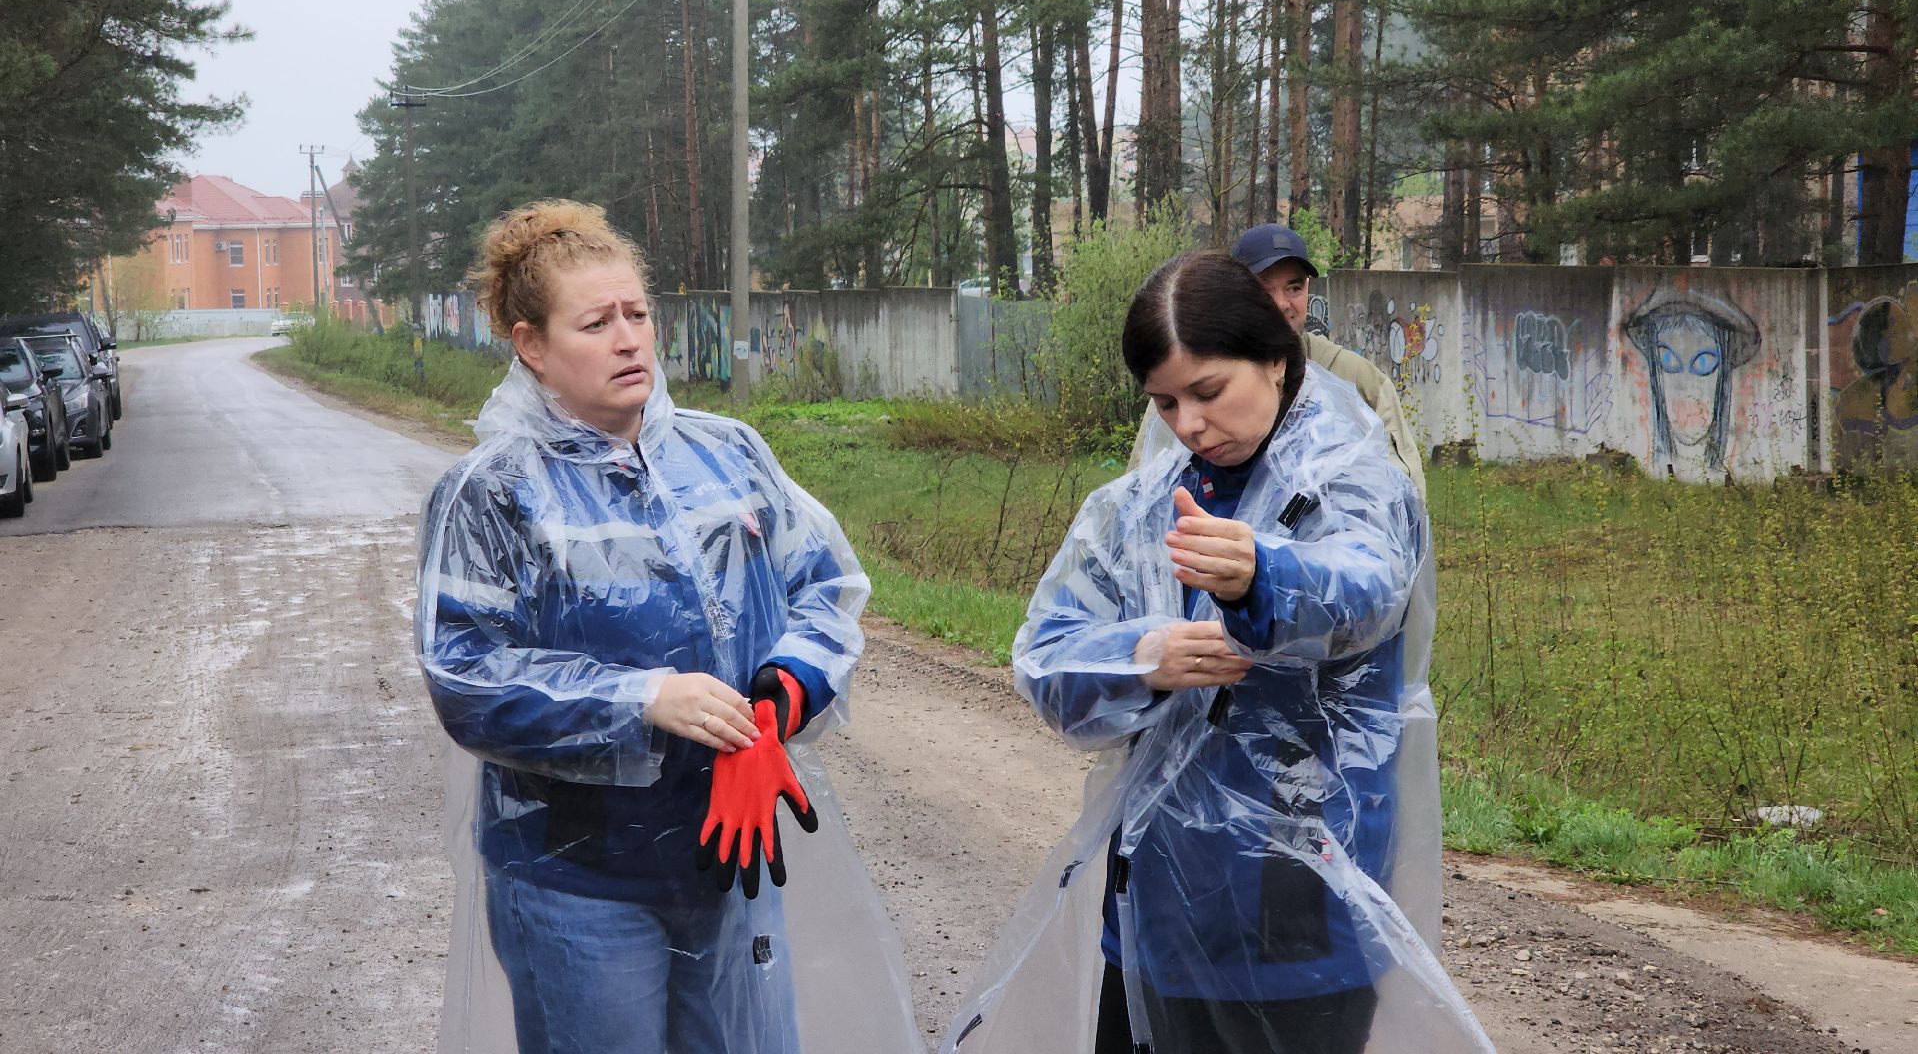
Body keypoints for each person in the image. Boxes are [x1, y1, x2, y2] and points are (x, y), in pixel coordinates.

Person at [941, 252, 1487, 1054]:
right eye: (1164, 402)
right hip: (1158, 899)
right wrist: (1142, 656)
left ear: (1275, 359)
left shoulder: (1354, 478)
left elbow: (1367, 589)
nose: (1188, 424)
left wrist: (1262, 573)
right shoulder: (1142, 505)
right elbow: (1047, 656)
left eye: (1207, 393)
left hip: (1297, 899)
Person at [416, 200, 919, 1054]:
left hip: (729, 859)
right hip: (579, 879)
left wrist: (782, 692)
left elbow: (826, 587)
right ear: (530, 344)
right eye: (596, 322)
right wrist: (643, 697)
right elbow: (466, 678)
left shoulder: (729, 453)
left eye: (637, 315)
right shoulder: (491, 492)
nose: (628, 340)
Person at [1128, 224, 1425, 498]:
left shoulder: (1358, 379)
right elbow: (1143, 498)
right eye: (1264, 288)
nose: (1282, 303)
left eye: (1294, 287)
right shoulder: (1179, 389)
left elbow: (1402, 500)